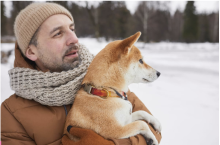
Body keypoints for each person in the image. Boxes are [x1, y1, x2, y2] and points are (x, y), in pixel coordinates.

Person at [1, 2, 162, 145]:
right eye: (58, 33)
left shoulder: (106, 80)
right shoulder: (11, 114)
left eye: (72, 29)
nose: (74, 39)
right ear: (31, 52)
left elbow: (153, 131)